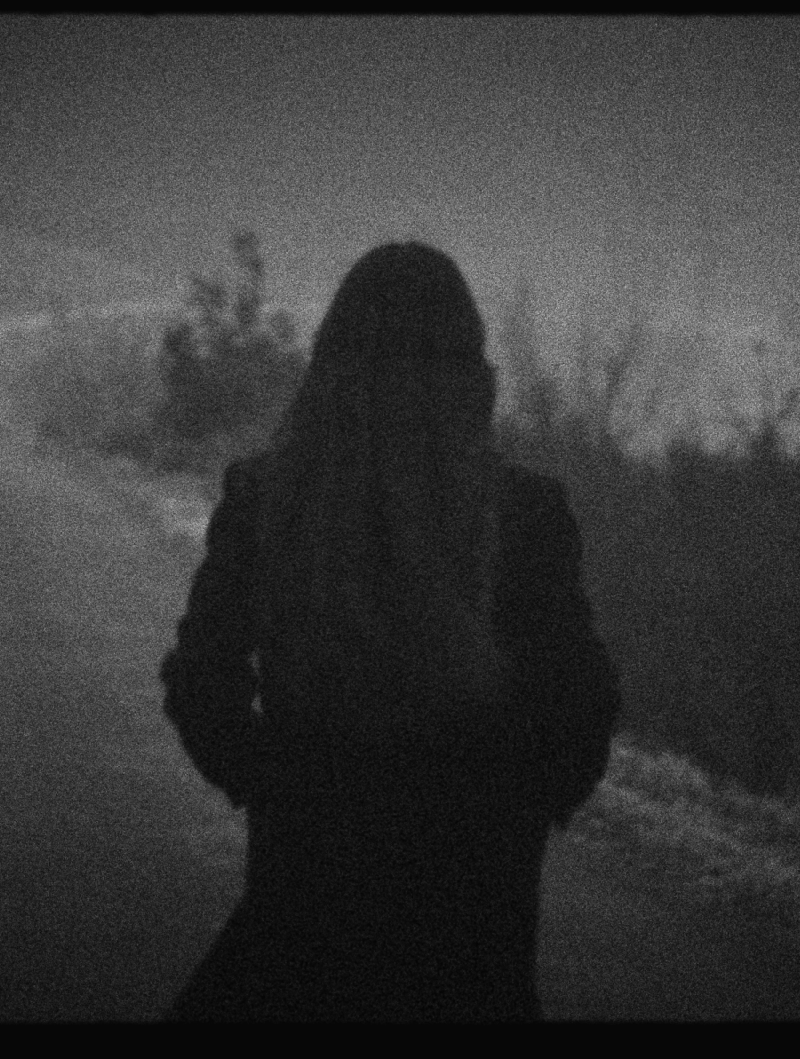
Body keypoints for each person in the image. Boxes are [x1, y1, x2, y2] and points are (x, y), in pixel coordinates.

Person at [160, 242, 620, 1022]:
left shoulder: (267, 501)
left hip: (303, 912)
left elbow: (202, 680)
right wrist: (506, 814)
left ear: (331, 368)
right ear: (472, 374)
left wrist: (278, 785)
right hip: (474, 931)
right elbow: (578, 704)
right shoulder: (527, 517)